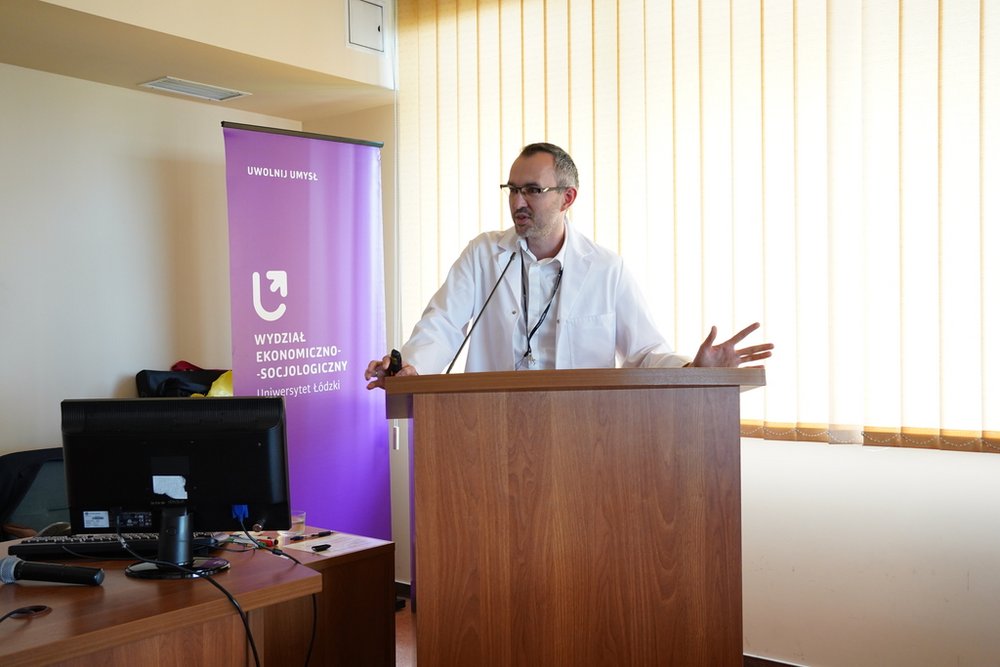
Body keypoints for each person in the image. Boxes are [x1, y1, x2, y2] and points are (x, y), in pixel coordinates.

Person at [365, 142, 772, 390]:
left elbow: (645, 352)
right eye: (513, 189)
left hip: (579, 434)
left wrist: (693, 368)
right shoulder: (484, 254)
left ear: (567, 197)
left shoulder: (606, 269)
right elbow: (444, 323)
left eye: (533, 190)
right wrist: (411, 367)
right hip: (489, 424)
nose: (517, 202)